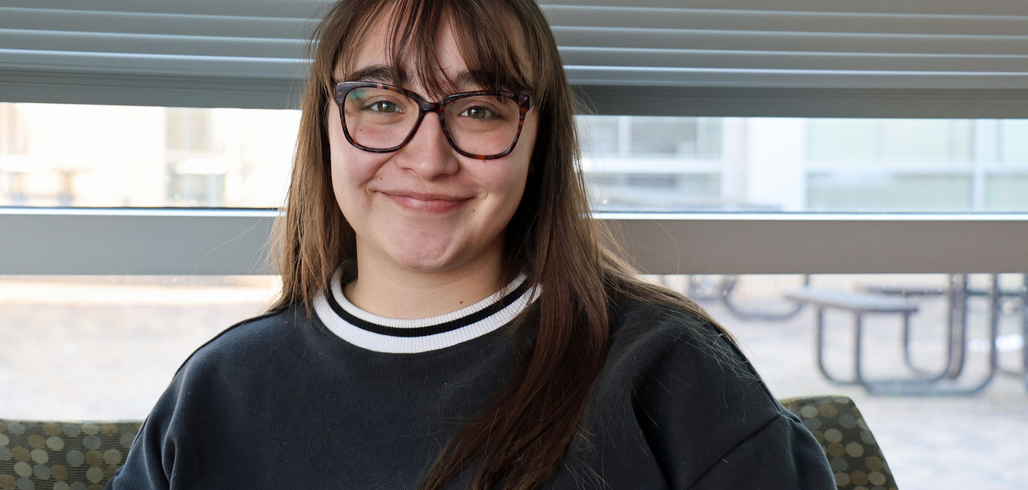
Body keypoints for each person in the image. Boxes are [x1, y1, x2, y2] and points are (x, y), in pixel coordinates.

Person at [106, 0, 837, 488]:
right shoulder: (219, 390)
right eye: (382, 103)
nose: (428, 158)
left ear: (537, 141)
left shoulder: (672, 371)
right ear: (324, 128)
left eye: (480, 109)